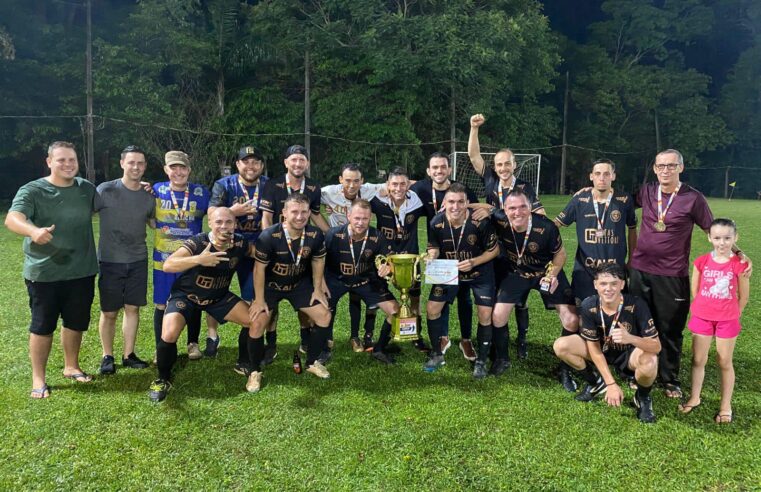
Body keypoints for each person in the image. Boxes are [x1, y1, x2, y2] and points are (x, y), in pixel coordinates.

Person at [627, 149, 745, 399]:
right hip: (639, 270)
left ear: (681, 167)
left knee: (670, 328)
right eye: (660, 166)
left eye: (671, 166)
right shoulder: (647, 191)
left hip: (672, 274)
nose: (665, 170)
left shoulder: (693, 198)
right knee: (637, 324)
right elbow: (621, 202)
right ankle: (636, 371)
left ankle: (669, 378)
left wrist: (737, 253)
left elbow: (712, 230)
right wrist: (588, 192)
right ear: (655, 169)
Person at [5, 141, 98, 398]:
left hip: (82, 270)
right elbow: (13, 218)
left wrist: (144, 188)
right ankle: (39, 378)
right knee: (42, 325)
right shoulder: (33, 190)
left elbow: (111, 201)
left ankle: (71, 366)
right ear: (49, 162)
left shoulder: (85, 188)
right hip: (45, 273)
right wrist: (33, 231)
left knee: (76, 322)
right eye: (61, 160)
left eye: (72, 160)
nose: (68, 165)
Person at [148, 208, 255, 402]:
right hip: (187, 295)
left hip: (218, 296)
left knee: (253, 321)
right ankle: (162, 379)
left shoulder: (240, 242)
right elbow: (168, 265)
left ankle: (243, 362)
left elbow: (258, 253)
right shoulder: (199, 241)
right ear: (211, 224)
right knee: (169, 333)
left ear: (235, 224)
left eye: (229, 222)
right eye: (219, 222)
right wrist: (199, 259)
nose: (224, 226)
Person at [469, 113, 541, 359]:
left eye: (506, 164)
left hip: (518, 249)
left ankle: (522, 340)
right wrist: (474, 129)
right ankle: (501, 340)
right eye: (499, 164)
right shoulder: (490, 180)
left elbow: (534, 213)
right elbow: (473, 156)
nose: (502, 168)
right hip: (494, 248)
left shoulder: (525, 188)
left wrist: (493, 210)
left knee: (520, 299)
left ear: (515, 165)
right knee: (500, 296)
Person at [491, 189, 578, 388]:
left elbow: (561, 255)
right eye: (512, 208)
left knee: (572, 319)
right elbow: (485, 209)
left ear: (531, 208)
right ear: (504, 209)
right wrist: (472, 205)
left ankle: (565, 369)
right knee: (498, 315)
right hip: (517, 274)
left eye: (523, 207)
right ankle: (502, 359)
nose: (517, 212)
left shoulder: (546, 227)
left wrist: (552, 275)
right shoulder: (500, 219)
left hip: (545, 273)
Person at [553, 263, 660, 423]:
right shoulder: (589, 305)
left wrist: (630, 338)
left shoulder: (637, 305)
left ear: (622, 284)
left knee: (650, 361)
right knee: (561, 345)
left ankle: (642, 398)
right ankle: (596, 383)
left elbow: (656, 346)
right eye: (603, 283)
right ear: (595, 285)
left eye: (614, 284)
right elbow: (594, 350)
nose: (608, 289)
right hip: (602, 351)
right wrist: (611, 384)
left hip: (629, 355)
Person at [247, 193, 332, 391]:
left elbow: (318, 260)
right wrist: (259, 300)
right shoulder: (269, 236)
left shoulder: (315, 234)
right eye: (295, 212)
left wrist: (318, 289)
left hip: (298, 285)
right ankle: (254, 372)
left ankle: (312, 363)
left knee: (324, 316)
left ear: (310, 213)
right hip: (271, 286)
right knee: (257, 322)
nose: (300, 216)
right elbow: (258, 269)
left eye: (304, 212)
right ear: (284, 213)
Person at [410, 153, 487, 361]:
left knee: (464, 298)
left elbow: (479, 208)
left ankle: (465, 338)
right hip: (440, 253)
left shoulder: (461, 189)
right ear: (428, 171)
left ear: (449, 169)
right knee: (440, 298)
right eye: (434, 167)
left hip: (465, 252)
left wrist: (485, 211)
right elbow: (400, 190)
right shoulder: (421, 188)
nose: (439, 171)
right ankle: (442, 337)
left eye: (443, 167)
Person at [259, 144, 329, 364]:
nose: (298, 164)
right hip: (278, 249)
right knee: (272, 302)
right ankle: (270, 344)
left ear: (307, 163)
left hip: (302, 249)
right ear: (286, 163)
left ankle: (305, 339)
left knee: (303, 294)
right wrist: (268, 242)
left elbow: (316, 215)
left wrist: (333, 235)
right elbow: (267, 217)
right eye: (294, 160)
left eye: (302, 160)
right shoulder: (273, 184)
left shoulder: (314, 187)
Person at [423, 184, 499, 377]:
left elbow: (494, 250)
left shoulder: (479, 222)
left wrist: (474, 261)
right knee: (432, 309)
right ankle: (436, 354)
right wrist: (431, 255)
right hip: (449, 272)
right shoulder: (436, 223)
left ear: (467, 203)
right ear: (444, 203)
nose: (455, 206)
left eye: (460, 202)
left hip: (479, 273)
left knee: (485, 314)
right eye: (451, 202)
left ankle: (481, 360)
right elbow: (434, 247)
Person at [679, 219, 749, 424]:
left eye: (727, 238)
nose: (722, 243)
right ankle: (695, 397)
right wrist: (703, 308)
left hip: (727, 320)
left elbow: (743, 297)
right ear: (710, 238)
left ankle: (725, 406)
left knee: (724, 361)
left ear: (735, 238)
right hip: (702, 317)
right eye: (717, 238)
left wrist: (733, 313)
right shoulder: (701, 261)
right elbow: (695, 290)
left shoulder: (740, 264)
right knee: (698, 360)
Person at [208, 145, 270, 372]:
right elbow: (212, 216)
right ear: (238, 165)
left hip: (254, 249)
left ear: (261, 166)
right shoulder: (223, 185)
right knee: (210, 290)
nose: (251, 166)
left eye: (255, 162)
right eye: (246, 161)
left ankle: (246, 355)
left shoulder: (268, 185)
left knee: (255, 301)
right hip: (227, 246)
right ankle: (210, 337)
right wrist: (233, 212)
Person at [95, 145, 155, 374]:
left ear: (145, 166)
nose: (136, 167)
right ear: (122, 164)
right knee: (109, 312)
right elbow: (85, 211)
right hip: (110, 260)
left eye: (140, 163)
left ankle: (128, 354)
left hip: (138, 259)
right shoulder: (105, 190)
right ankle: (107, 356)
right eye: (131, 162)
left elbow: (153, 223)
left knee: (132, 308)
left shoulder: (148, 196)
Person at [322, 199, 403, 364]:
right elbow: (320, 260)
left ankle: (379, 349)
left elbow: (390, 258)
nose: (360, 222)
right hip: (336, 280)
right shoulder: (333, 234)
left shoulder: (377, 236)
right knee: (321, 311)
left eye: (365, 219)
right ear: (348, 215)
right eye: (357, 218)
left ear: (370, 219)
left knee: (396, 312)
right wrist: (320, 284)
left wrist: (388, 266)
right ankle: (324, 348)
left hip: (366, 281)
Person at [553, 158, 637, 306]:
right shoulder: (580, 199)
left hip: (615, 272)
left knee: (614, 317)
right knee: (583, 317)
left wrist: (632, 259)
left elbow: (632, 228)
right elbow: (555, 225)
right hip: (586, 272)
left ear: (613, 176)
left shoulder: (624, 199)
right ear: (591, 176)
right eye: (597, 174)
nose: (602, 178)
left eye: (606, 174)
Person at [152, 150, 210, 361]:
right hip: (164, 261)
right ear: (166, 169)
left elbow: (214, 214)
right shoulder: (156, 190)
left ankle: (192, 343)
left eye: (182, 167)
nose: (178, 172)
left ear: (189, 170)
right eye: (173, 167)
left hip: (192, 259)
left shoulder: (201, 193)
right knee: (162, 303)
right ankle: (162, 347)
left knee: (193, 301)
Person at [321, 163, 385, 352]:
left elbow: (395, 185)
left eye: (356, 180)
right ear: (340, 180)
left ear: (362, 181)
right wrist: (327, 230)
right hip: (338, 247)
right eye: (347, 180)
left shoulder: (368, 190)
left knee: (357, 296)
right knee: (330, 298)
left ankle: (358, 336)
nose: (351, 185)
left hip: (361, 246)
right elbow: (309, 204)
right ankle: (327, 336)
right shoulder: (327, 192)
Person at [370, 167, 429, 357]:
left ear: (408, 184)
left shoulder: (417, 201)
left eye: (402, 183)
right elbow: (356, 201)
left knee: (414, 299)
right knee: (378, 298)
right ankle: (372, 338)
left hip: (410, 260)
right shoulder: (377, 200)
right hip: (385, 258)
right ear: (388, 185)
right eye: (394, 184)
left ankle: (415, 335)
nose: (398, 188)